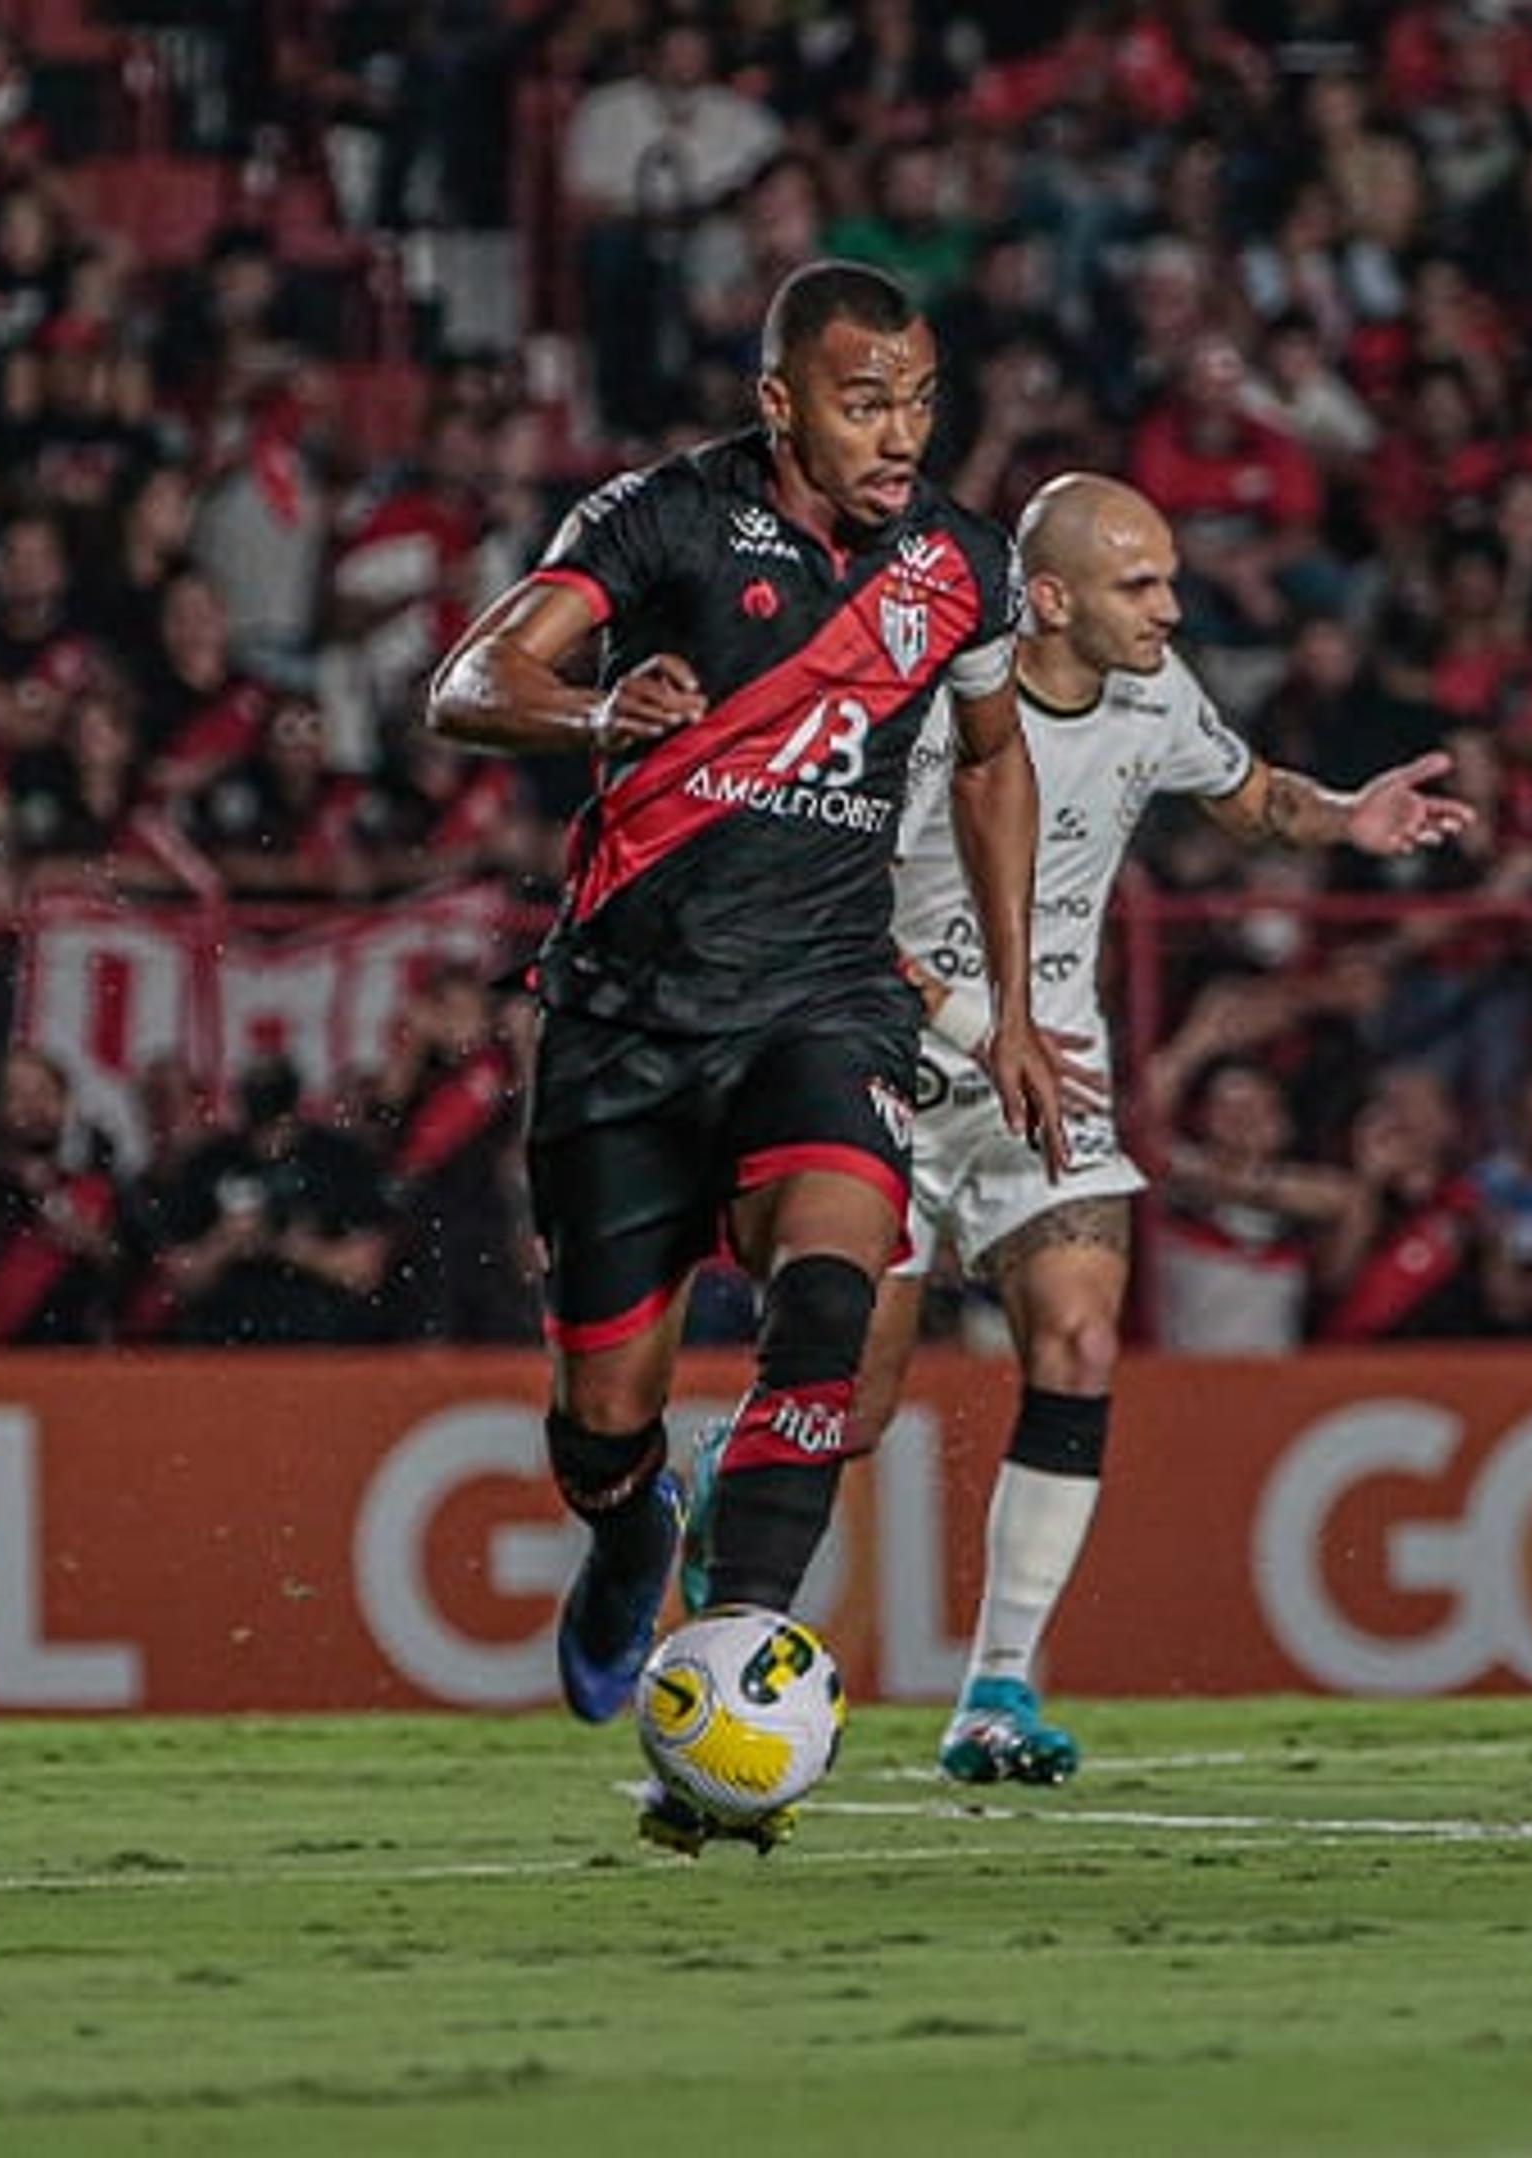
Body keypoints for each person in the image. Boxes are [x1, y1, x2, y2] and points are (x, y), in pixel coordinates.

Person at [424, 261, 1069, 1828]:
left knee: (831, 1295)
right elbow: (469, 682)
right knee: (601, 1416)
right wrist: (592, 718)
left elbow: (992, 766)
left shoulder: (959, 567)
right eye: (865, 403)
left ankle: (733, 1668)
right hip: (629, 1026)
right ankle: (632, 1528)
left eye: (918, 401)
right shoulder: (660, 521)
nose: (899, 432)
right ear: (781, 402)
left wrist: (1016, 1003)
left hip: (823, 1005)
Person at [718, 473, 1471, 1784]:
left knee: (1074, 1333)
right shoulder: (934, 716)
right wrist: (975, 1031)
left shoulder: (1153, 696)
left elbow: (1251, 798)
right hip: (890, 1072)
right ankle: (719, 1605)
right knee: (850, 1400)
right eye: (1143, 585)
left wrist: (1348, 813)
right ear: (1049, 598)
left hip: (1047, 1088)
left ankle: (997, 1691)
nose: (1171, 609)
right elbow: (834, 918)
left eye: (1171, 580)